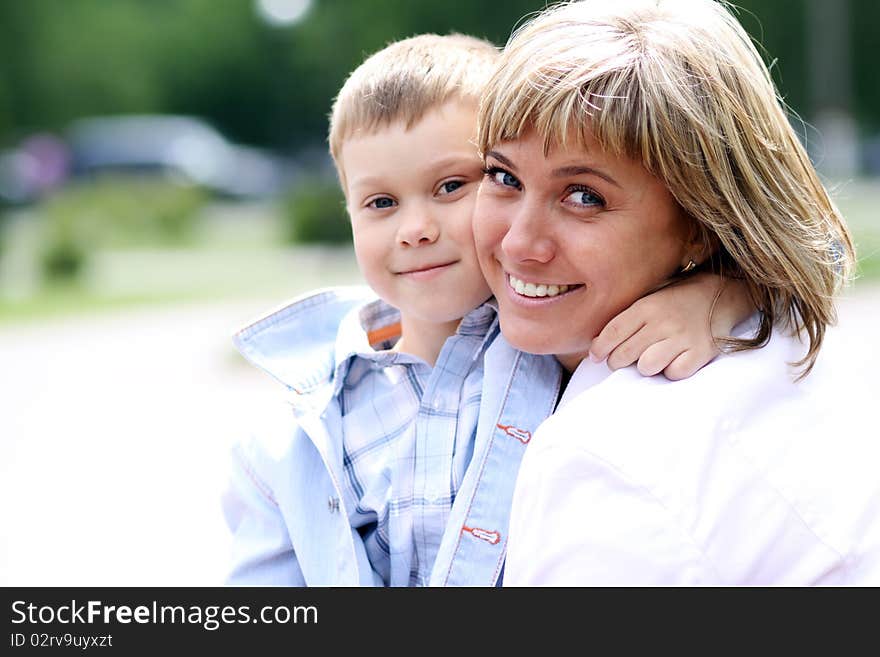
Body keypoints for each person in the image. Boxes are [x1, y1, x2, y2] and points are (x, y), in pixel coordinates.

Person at [222, 32, 754, 586]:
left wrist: (719, 294)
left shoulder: (554, 331)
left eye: (451, 186)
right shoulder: (304, 430)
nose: (416, 230)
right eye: (381, 203)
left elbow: (804, 262)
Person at [470, 0, 879, 585]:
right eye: (503, 177)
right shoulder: (784, 338)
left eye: (584, 196)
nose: (518, 243)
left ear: (700, 220)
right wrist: (737, 288)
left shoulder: (611, 456)